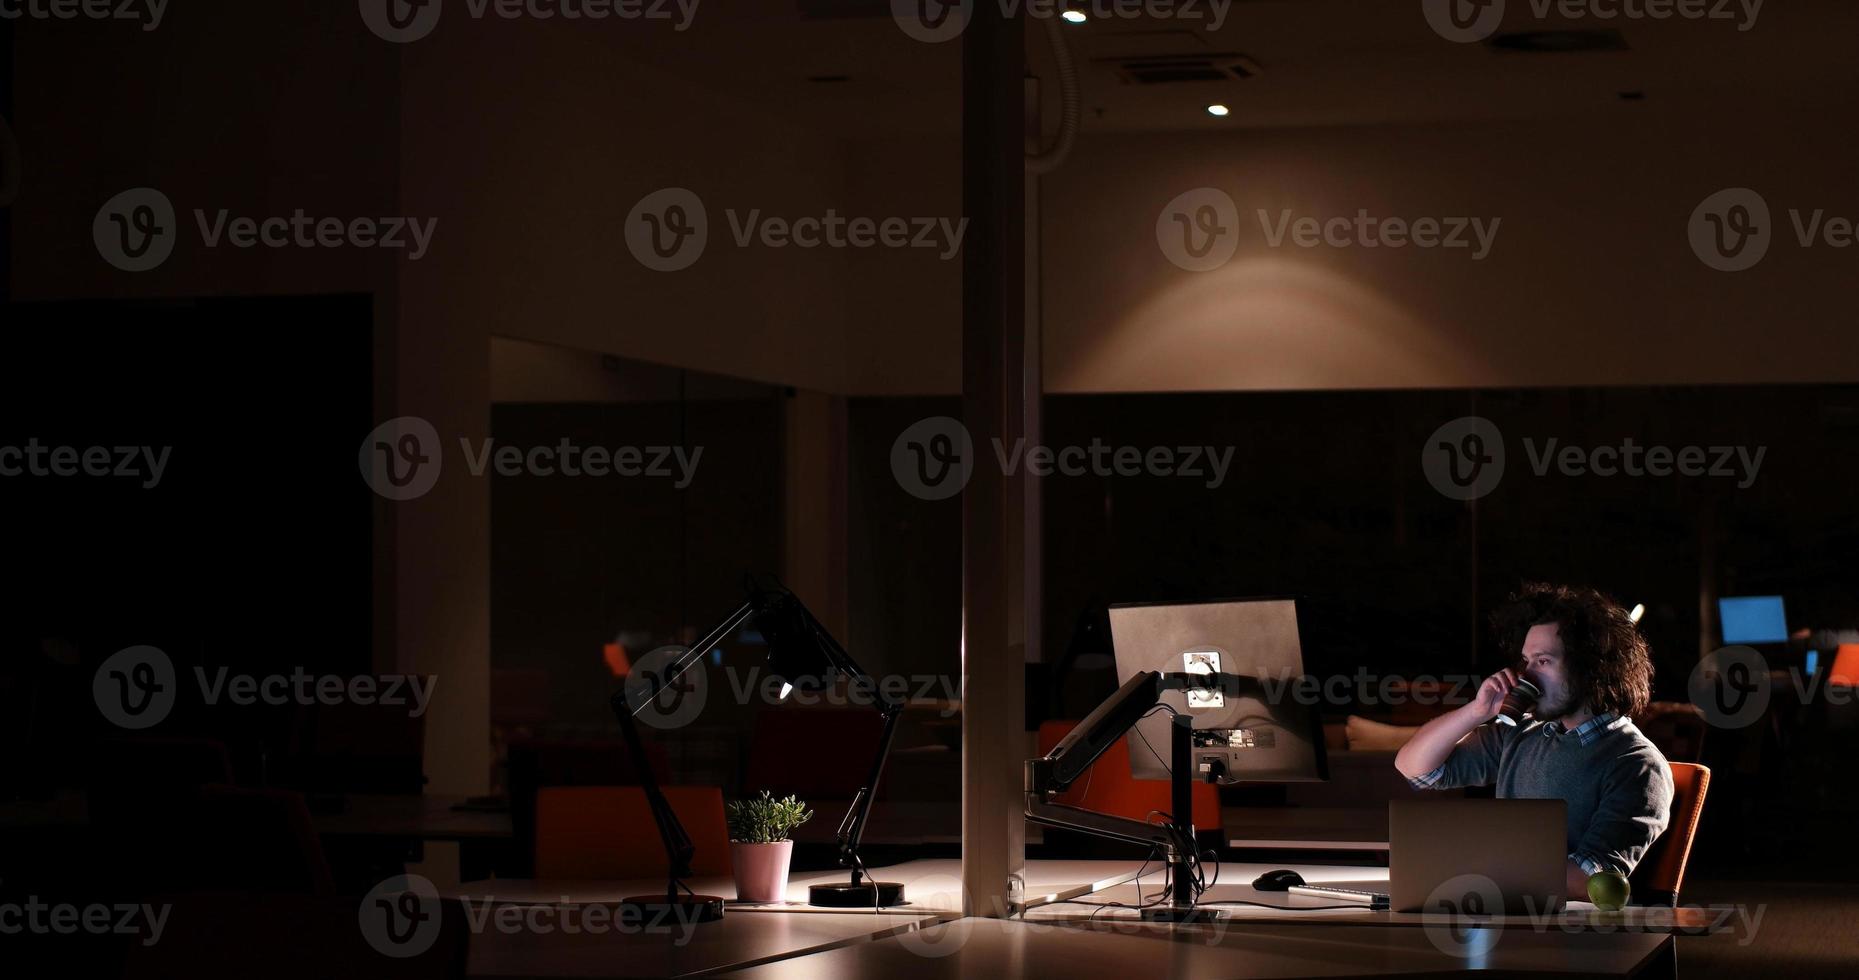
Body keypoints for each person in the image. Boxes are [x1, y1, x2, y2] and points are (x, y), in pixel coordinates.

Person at [1394, 583, 1674, 900]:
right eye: (1526, 661)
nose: (1527, 676)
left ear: (1590, 668)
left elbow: (1588, 880)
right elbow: (1414, 768)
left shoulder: (1636, 764)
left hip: (1565, 936)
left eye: (1542, 661)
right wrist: (1476, 711)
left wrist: (1473, 870)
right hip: (1502, 911)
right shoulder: (1521, 734)